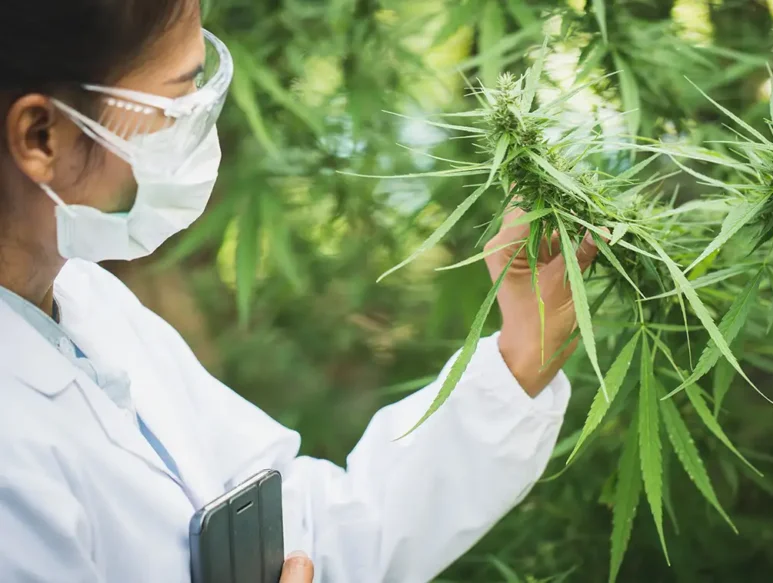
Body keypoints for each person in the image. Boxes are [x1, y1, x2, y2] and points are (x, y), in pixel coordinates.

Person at [0, 1, 600, 582]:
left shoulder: (85, 303)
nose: (198, 127)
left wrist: (523, 350)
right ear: (41, 137)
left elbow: (297, 535)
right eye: (178, 102)